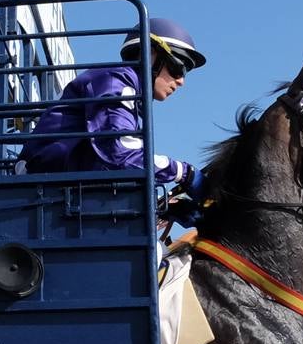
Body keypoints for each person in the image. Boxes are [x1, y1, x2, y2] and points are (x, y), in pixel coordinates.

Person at [18, 17, 207, 205]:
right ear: (149, 54)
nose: (181, 81)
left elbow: (112, 161)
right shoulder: (116, 81)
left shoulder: (127, 90)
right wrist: (183, 172)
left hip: (56, 186)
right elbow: (120, 153)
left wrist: (163, 203)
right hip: (39, 189)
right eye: (178, 68)